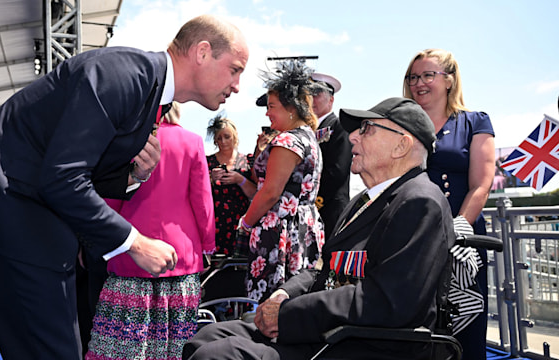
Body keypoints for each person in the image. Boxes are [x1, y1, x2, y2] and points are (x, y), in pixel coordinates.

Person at [0, 14, 249, 360]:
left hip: (32, 215)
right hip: (6, 205)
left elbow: (80, 169)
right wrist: (134, 241)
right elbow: (62, 177)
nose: (237, 86)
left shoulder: (150, 92)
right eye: (235, 69)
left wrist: (132, 177)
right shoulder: (124, 74)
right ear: (202, 53)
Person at [183, 97, 456, 360]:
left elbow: (387, 303)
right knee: (206, 338)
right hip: (330, 333)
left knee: (216, 355)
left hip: (361, 345)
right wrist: (284, 293)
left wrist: (288, 314)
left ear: (401, 146)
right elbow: (324, 271)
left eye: (367, 129)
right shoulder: (364, 202)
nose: (352, 137)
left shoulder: (419, 202)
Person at [85, 102, 215, 360]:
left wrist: (93, 242)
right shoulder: (192, 141)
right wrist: (208, 246)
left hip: (130, 256)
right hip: (181, 259)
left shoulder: (127, 143)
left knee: (120, 350)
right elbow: (203, 202)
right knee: (175, 350)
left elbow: (110, 200)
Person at [403, 48, 495, 360]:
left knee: (465, 324)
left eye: (428, 75)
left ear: (449, 80)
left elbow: (481, 184)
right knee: (416, 323)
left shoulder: (476, 122)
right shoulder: (402, 126)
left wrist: (459, 228)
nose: (419, 83)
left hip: (463, 239)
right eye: (414, 77)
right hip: (415, 236)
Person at [239, 60, 324, 303]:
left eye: (271, 106)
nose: (267, 113)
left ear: (291, 109)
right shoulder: (308, 138)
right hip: (301, 227)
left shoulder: (288, 141)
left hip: (280, 232)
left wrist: (245, 224)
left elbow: (270, 192)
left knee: (271, 301)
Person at [206, 115, 257, 256]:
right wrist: (210, 178)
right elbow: (195, 191)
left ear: (235, 136)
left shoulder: (248, 161)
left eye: (227, 136)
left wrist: (240, 179)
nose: (223, 141)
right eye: (219, 138)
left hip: (241, 222)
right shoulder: (207, 161)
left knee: (239, 265)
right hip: (213, 222)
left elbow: (256, 193)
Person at [309, 72, 353, 236]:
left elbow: (337, 171)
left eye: (317, 94)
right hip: (311, 209)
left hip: (330, 208)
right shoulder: (306, 130)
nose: (311, 100)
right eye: (308, 95)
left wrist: (313, 199)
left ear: (331, 99)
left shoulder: (340, 125)